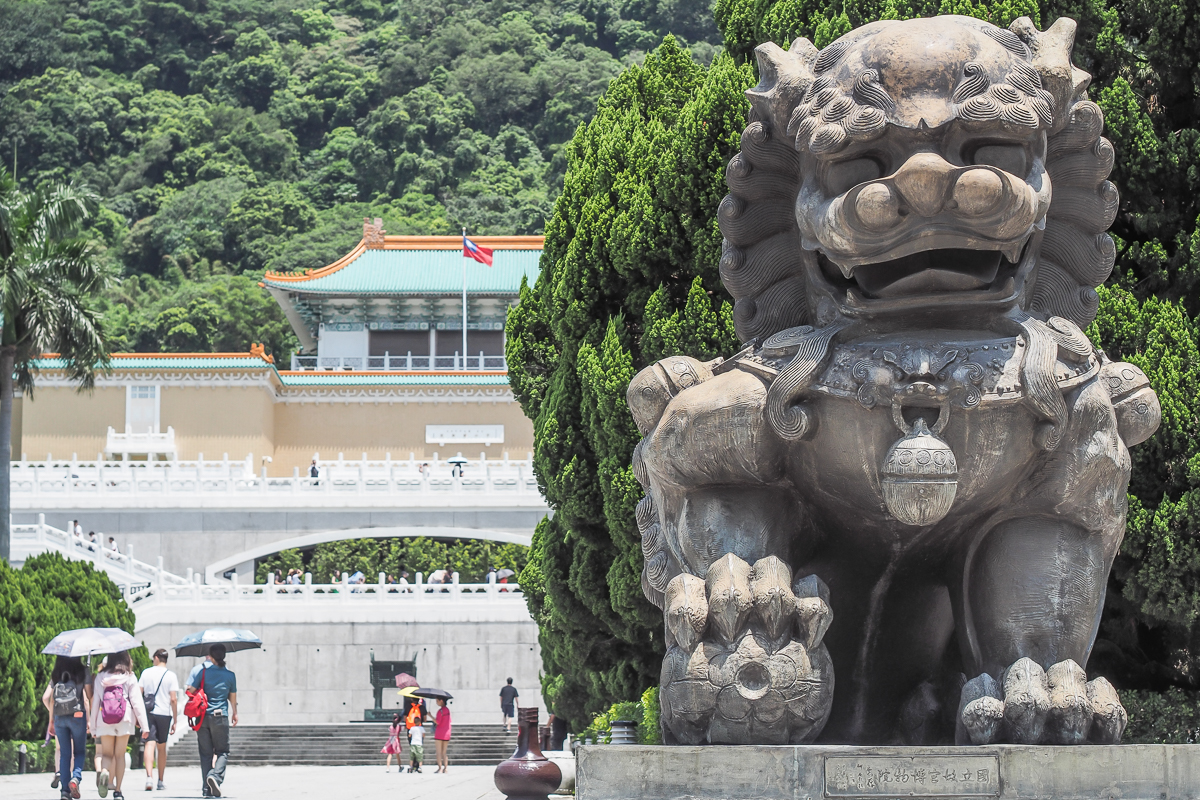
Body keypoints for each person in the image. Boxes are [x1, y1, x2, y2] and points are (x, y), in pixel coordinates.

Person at [90, 650, 148, 800]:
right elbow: (137, 702)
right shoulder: (129, 676)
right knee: (120, 755)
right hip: (124, 718)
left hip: (105, 719)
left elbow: (95, 702)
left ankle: (104, 771)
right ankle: (118, 791)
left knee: (107, 754)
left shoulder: (101, 677)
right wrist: (144, 725)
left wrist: (93, 726)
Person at [187, 644, 238, 798]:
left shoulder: (203, 673)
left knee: (206, 754)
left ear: (210, 656)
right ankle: (215, 777)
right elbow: (232, 699)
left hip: (202, 717)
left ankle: (206, 789)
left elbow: (190, 691)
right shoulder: (230, 675)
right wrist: (235, 713)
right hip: (220, 716)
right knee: (222, 751)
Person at [43, 655, 89, 800]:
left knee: (65, 754)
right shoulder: (83, 671)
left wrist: (51, 721)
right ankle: (75, 778)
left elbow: (50, 698)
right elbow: (88, 697)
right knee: (80, 752)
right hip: (77, 715)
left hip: (59, 717)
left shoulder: (56, 673)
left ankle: (64, 791)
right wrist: (89, 720)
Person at [139, 649, 179, 791]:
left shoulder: (146, 672)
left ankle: (149, 778)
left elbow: (139, 694)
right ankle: (161, 780)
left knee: (149, 744)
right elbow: (173, 699)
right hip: (164, 713)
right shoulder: (171, 675)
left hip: (149, 713)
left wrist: (137, 715)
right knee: (162, 747)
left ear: (156, 658)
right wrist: (175, 719)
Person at [433, 697, 451, 774]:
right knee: (444, 752)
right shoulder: (447, 710)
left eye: (437, 701)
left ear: (441, 701)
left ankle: (440, 768)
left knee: (439, 752)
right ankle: (445, 768)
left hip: (439, 733)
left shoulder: (440, 711)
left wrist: (430, 716)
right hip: (447, 732)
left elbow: (438, 722)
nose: (436, 702)